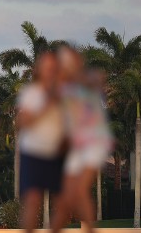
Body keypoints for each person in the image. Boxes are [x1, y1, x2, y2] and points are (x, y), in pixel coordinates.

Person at [52, 47, 112, 233]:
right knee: (66, 198)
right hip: (77, 147)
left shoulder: (85, 80)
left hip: (94, 143)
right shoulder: (61, 89)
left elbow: (98, 78)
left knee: (77, 192)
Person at [16, 51, 65, 233]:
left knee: (63, 203)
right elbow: (22, 122)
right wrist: (47, 104)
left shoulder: (64, 93)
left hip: (57, 154)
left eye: (53, 67)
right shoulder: (31, 93)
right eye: (46, 67)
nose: (50, 71)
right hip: (33, 153)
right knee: (33, 201)